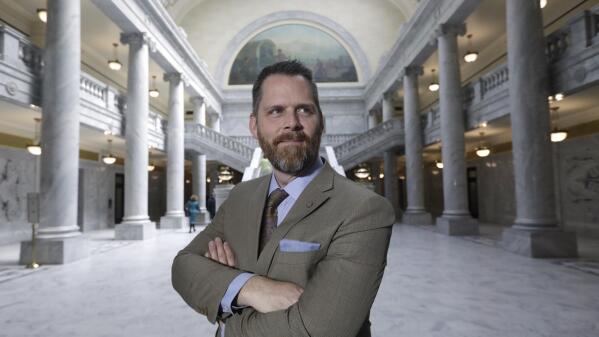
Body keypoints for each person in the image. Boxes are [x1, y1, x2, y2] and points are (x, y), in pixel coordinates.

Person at [172, 60, 394, 337]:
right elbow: (184, 266)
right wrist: (248, 287)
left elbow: (317, 331)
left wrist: (225, 309)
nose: (292, 123)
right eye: (276, 111)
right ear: (254, 126)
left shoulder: (364, 210)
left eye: (304, 110)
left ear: (321, 121)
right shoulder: (241, 195)